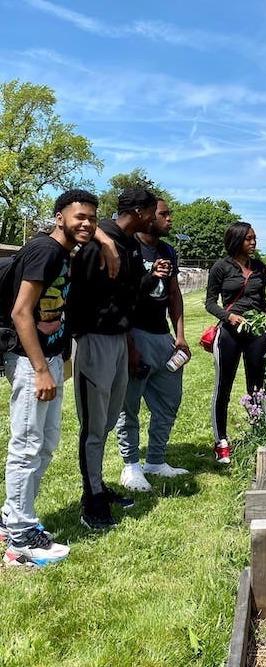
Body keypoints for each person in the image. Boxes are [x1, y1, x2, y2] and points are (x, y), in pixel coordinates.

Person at [0, 189, 98, 567]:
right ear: (60, 217)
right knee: (26, 445)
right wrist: (40, 369)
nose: (87, 223)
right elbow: (21, 312)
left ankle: (13, 517)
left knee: (45, 443)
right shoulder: (47, 251)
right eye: (79, 217)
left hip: (50, 355)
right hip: (30, 360)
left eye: (92, 217)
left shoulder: (65, 252)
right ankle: (21, 540)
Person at [68, 188, 164, 530]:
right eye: (153, 212)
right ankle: (91, 499)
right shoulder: (98, 241)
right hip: (94, 339)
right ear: (139, 212)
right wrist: (81, 336)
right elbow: (77, 293)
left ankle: (98, 484)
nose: (155, 218)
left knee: (108, 419)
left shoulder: (128, 244)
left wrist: (151, 279)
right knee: (93, 425)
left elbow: (128, 290)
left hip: (120, 339)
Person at [115, 199, 190, 492]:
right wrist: (129, 343)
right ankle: (131, 465)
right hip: (134, 333)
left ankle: (156, 460)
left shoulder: (168, 251)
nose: (170, 218)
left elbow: (174, 293)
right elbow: (121, 298)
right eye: (164, 214)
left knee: (169, 402)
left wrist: (180, 335)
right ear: (146, 218)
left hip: (163, 336)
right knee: (129, 405)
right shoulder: (128, 246)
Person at [205, 222, 266, 464]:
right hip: (230, 333)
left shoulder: (259, 267)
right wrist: (229, 316)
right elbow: (210, 303)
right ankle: (221, 441)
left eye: (254, 238)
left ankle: (258, 432)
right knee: (223, 387)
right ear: (236, 241)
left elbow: (259, 299)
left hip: (256, 331)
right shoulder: (221, 267)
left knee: (257, 387)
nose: (253, 243)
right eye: (248, 239)